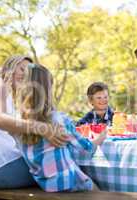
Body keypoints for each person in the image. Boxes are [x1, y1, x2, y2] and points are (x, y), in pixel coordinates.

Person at [0, 55, 69, 189]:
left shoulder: (8, 99)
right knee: (66, 168)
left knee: (59, 166)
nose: (25, 75)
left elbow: (16, 135)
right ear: (9, 68)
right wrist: (43, 128)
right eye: (21, 69)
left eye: (28, 72)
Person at [14, 63, 106, 192]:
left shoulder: (17, 122)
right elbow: (86, 148)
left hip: (44, 184)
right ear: (47, 90)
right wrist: (101, 137)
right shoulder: (59, 119)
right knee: (100, 191)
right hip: (68, 181)